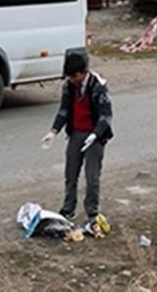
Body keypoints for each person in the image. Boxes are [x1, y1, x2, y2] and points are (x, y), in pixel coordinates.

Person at [41, 53, 113, 223]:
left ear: (84, 72)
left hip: (94, 137)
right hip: (76, 133)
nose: (73, 80)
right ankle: (68, 209)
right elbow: (64, 110)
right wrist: (54, 131)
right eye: (70, 77)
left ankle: (92, 213)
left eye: (75, 76)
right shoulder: (69, 86)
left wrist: (95, 134)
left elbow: (106, 116)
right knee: (70, 174)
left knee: (92, 177)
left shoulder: (98, 87)